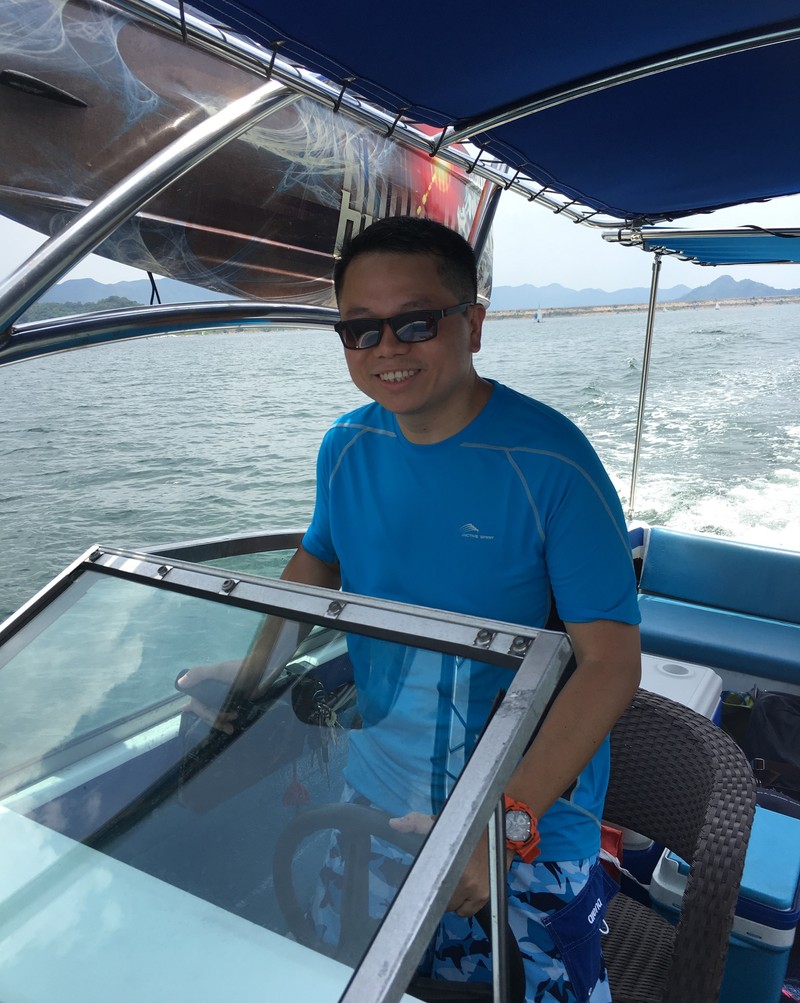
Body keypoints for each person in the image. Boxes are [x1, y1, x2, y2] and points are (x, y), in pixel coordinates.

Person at [182, 215, 641, 1002]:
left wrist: (503, 821)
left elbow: (610, 664)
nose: (387, 348)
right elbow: (314, 568)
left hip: (523, 819)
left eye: (416, 322)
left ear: (473, 324)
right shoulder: (346, 447)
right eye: (360, 329)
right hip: (378, 791)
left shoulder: (551, 462)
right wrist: (250, 677)